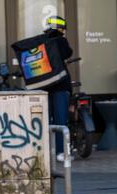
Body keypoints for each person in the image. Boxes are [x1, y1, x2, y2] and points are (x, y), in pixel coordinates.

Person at [43, 16, 74, 162]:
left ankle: (47, 152)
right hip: (60, 85)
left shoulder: (41, 41)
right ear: (59, 29)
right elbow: (68, 53)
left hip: (44, 86)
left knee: (46, 120)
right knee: (61, 120)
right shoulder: (60, 40)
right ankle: (61, 153)